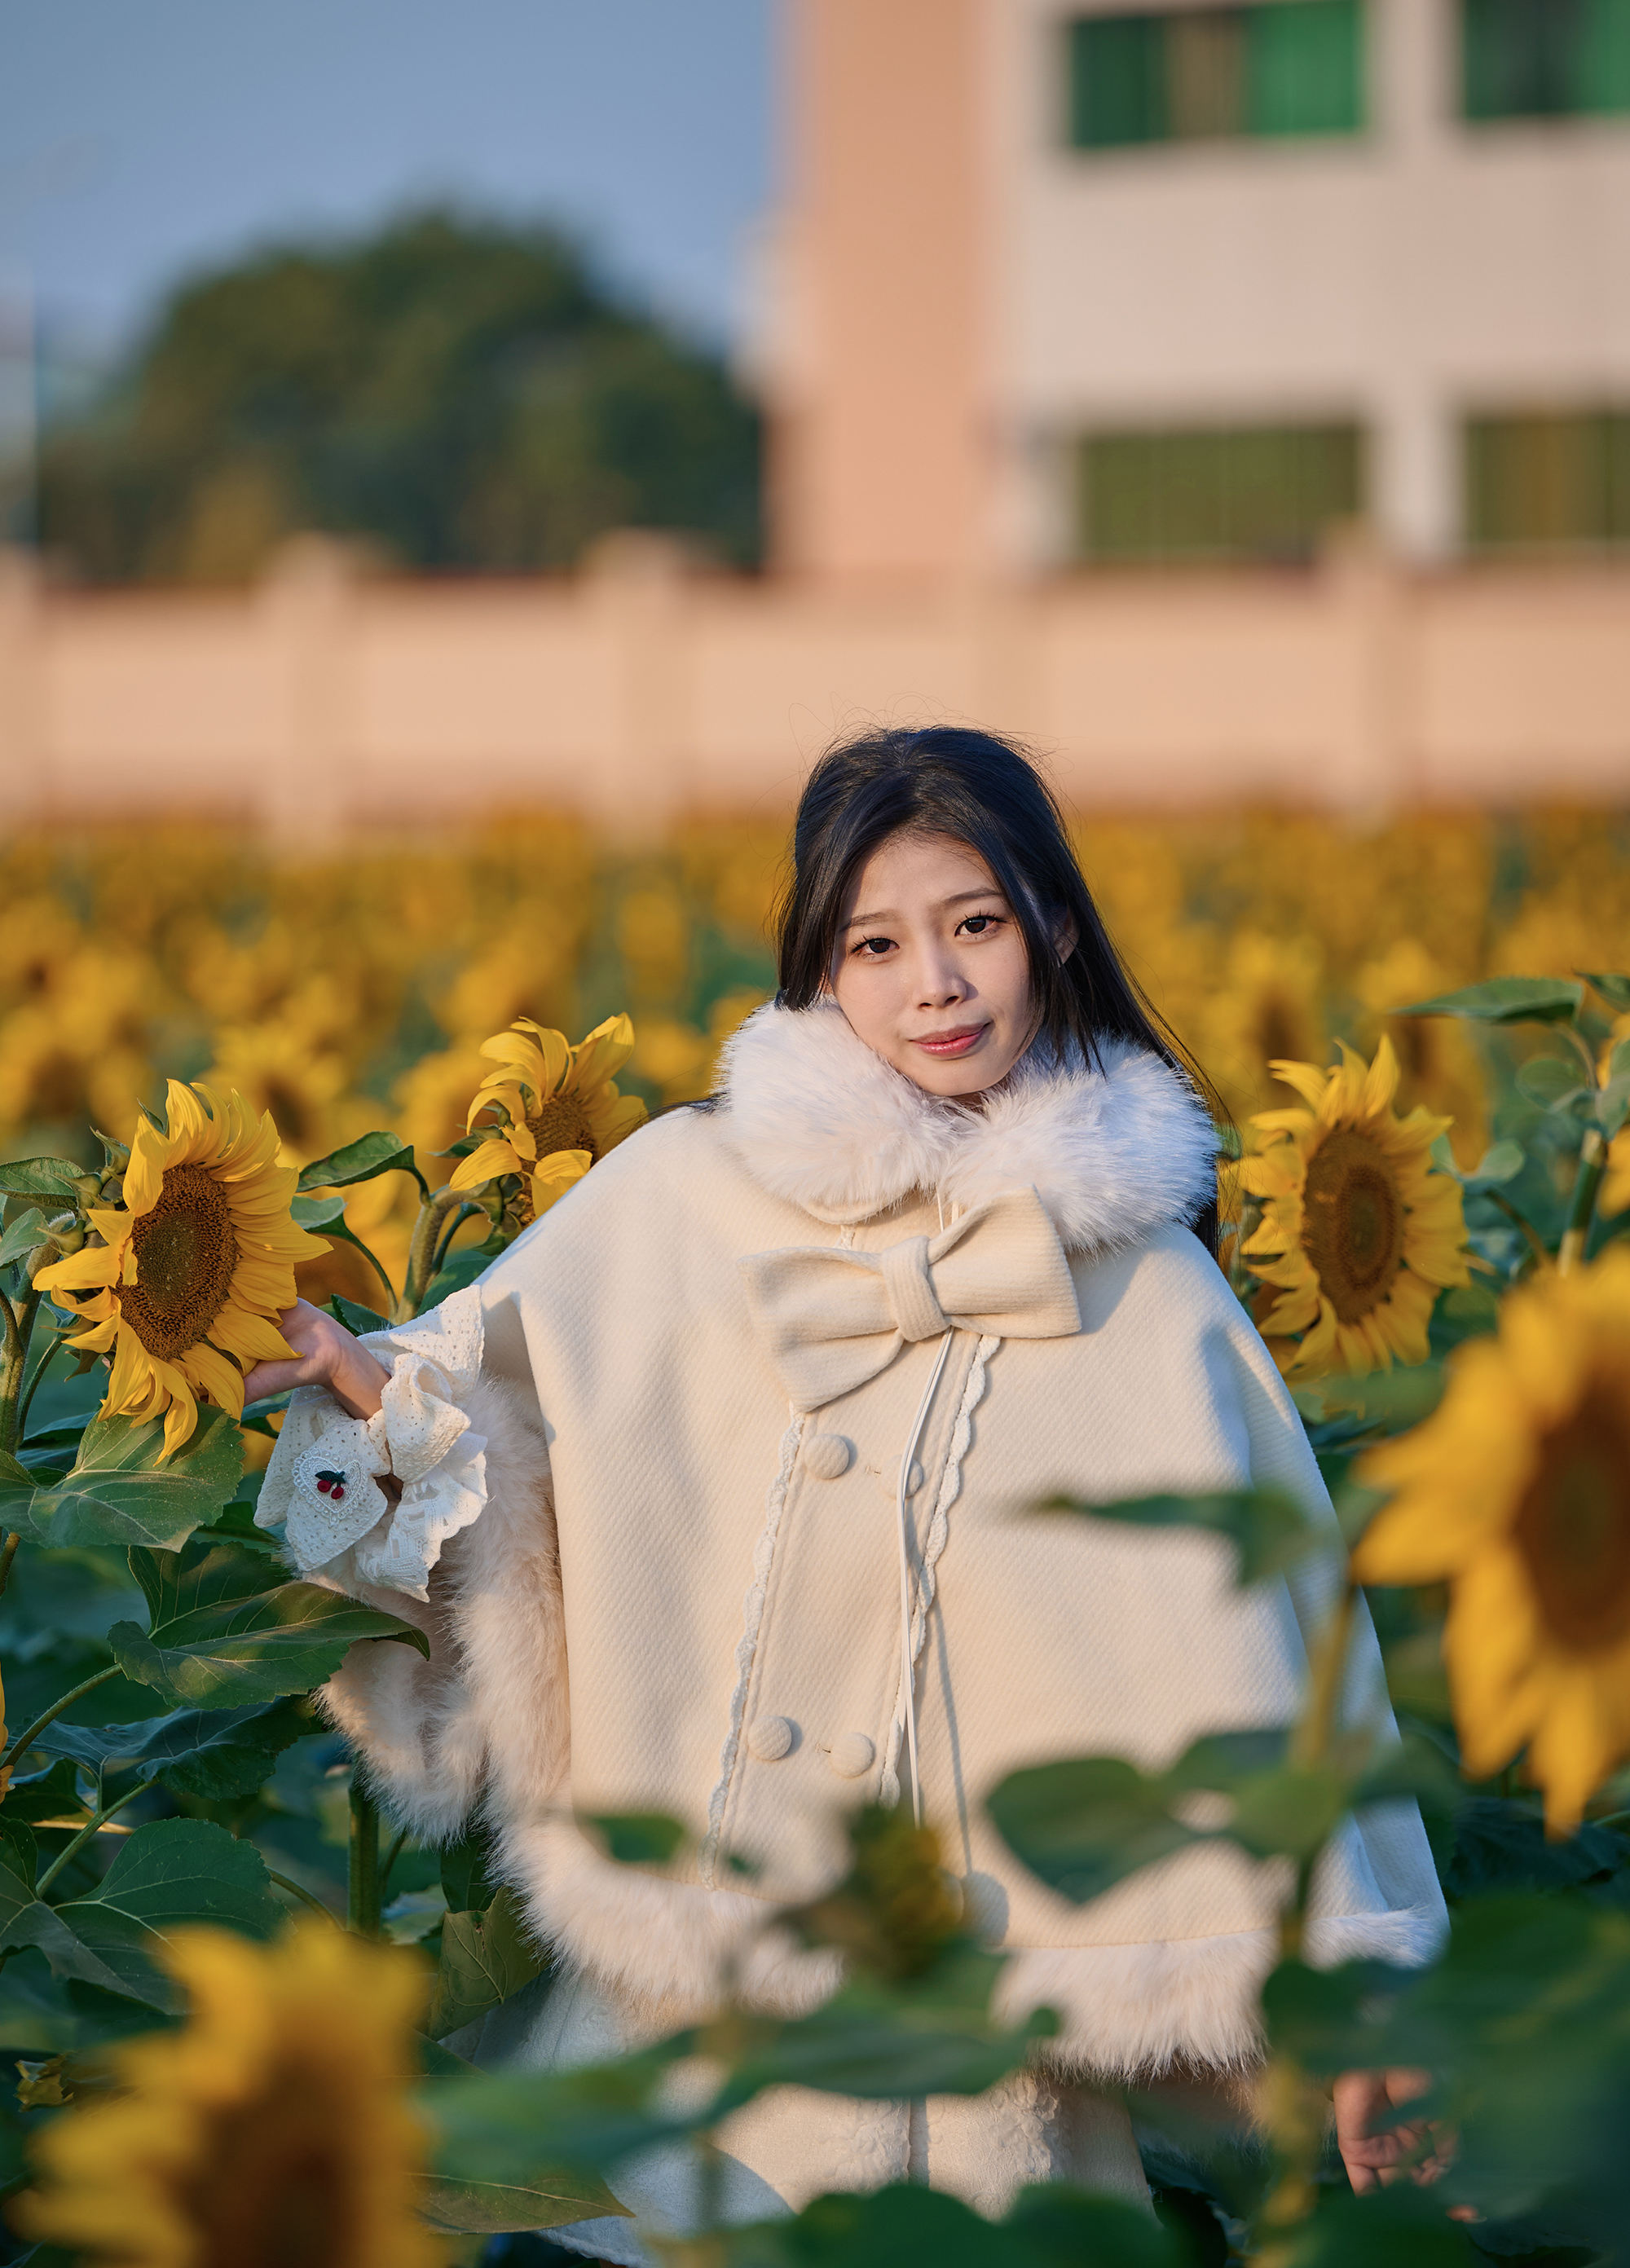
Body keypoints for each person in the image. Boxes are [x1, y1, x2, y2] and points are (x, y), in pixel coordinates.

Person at [247, 726, 1447, 2259]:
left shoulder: (1149, 1291)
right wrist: (376, 1402)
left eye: (976, 925)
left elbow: (1281, 1659)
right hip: (682, 2084)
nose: (935, 985)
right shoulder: (683, 1195)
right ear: (822, 968)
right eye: (877, 944)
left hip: (990, 2116)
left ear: (1054, 928)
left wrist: (1358, 2009)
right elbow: (504, 1455)